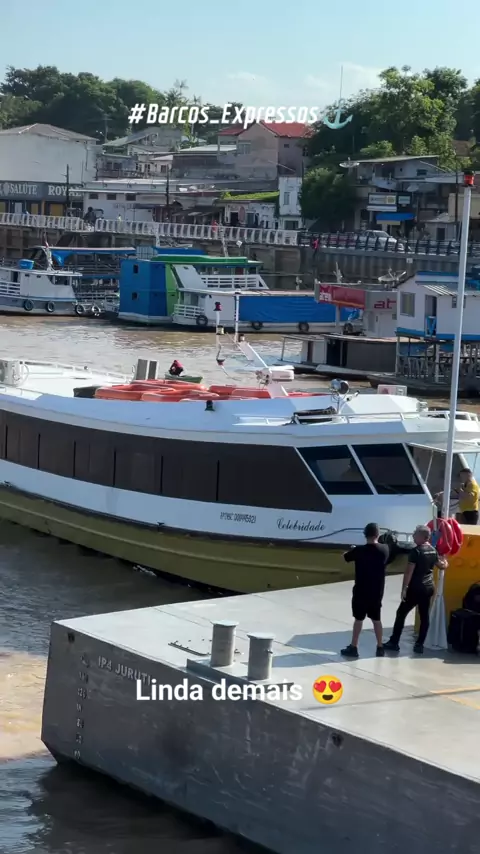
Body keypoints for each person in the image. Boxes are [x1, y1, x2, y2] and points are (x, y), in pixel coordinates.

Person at [384, 525, 447, 655]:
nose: (413, 536)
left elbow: (409, 572)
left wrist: (404, 588)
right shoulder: (433, 550)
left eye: (415, 534)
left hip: (415, 588)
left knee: (401, 613)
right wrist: (446, 563)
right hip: (428, 588)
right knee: (424, 616)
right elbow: (441, 566)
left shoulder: (416, 551)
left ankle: (394, 642)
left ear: (423, 537)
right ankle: (419, 645)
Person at [340, 522, 389, 659]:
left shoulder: (359, 551)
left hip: (361, 591)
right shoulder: (385, 549)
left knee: (358, 619)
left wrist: (352, 550)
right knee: (376, 619)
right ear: (378, 534)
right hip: (377, 591)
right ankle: (380, 647)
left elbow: (345, 557)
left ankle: (354, 647)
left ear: (365, 535)